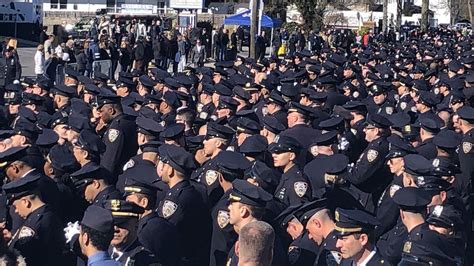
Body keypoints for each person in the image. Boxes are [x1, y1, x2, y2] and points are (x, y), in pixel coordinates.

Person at [3, 172, 65, 265]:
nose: (15, 211)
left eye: (15, 206)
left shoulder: (35, 224)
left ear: (25, 202)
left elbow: (24, 257)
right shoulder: (47, 214)